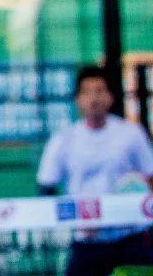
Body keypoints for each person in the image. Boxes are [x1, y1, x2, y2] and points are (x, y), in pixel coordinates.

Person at [37, 65, 153, 276]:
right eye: (87, 92)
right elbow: (46, 187)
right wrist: (75, 220)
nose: (94, 98)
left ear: (110, 97)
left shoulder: (131, 134)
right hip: (87, 242)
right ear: (78, 99)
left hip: (130, 239)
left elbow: (150, 177)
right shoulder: (63, 139)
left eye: (99, 91)